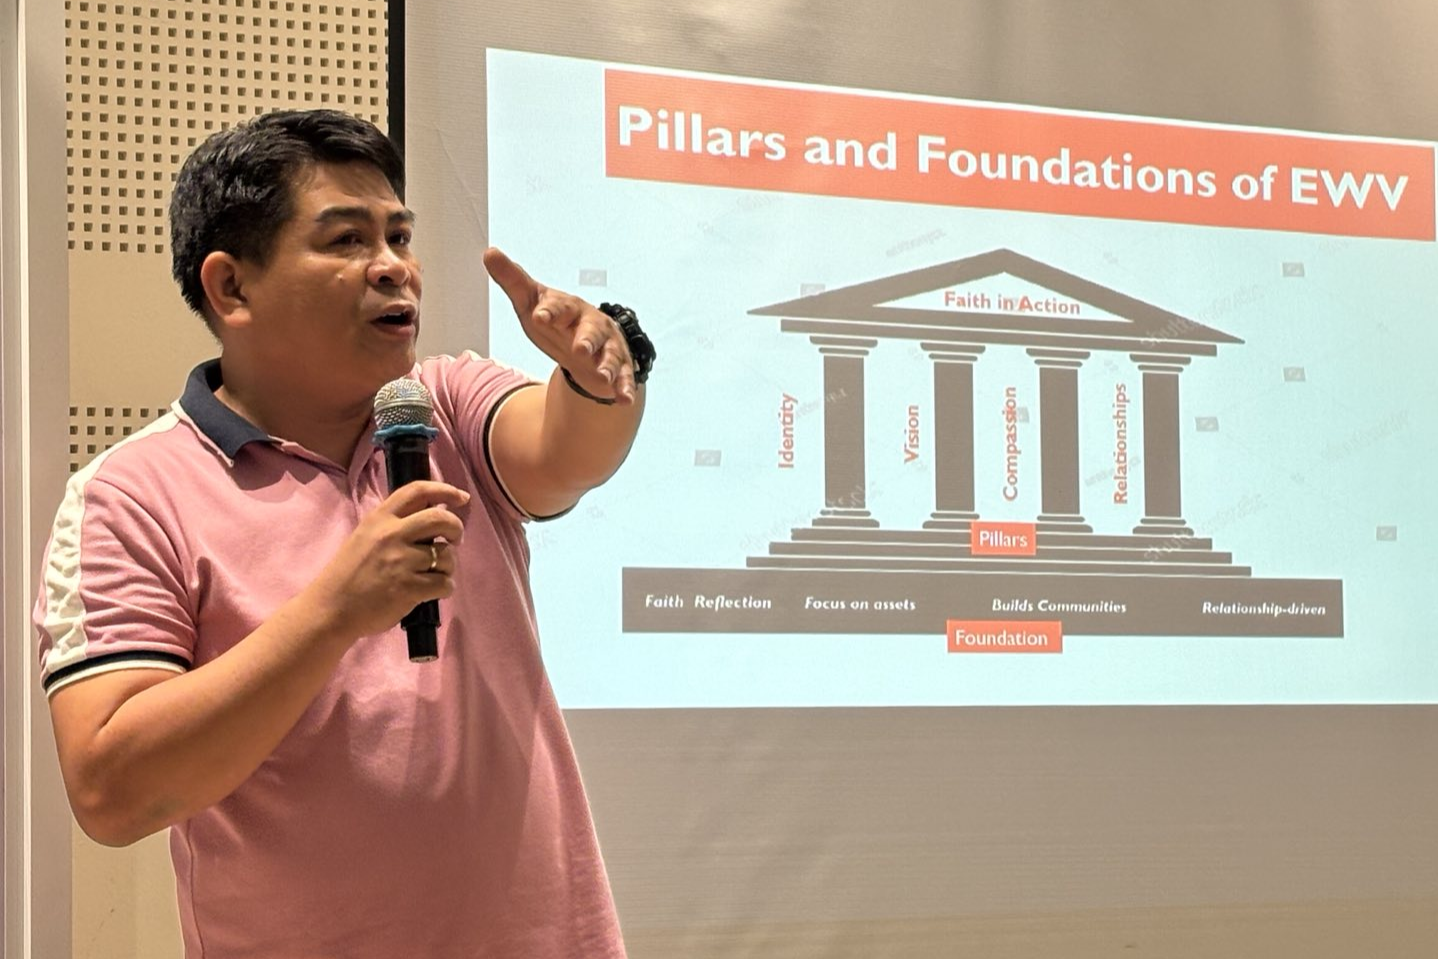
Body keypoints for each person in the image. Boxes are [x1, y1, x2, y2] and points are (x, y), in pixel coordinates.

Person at [33, 109, 649, 957]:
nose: (394, 267)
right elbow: (114, 791)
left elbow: (565, 452)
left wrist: (599, 377)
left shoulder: (447, 407)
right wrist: (334, 610)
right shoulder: (129, 496)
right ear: (231, 287)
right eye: (347, 240)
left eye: (399, 235)